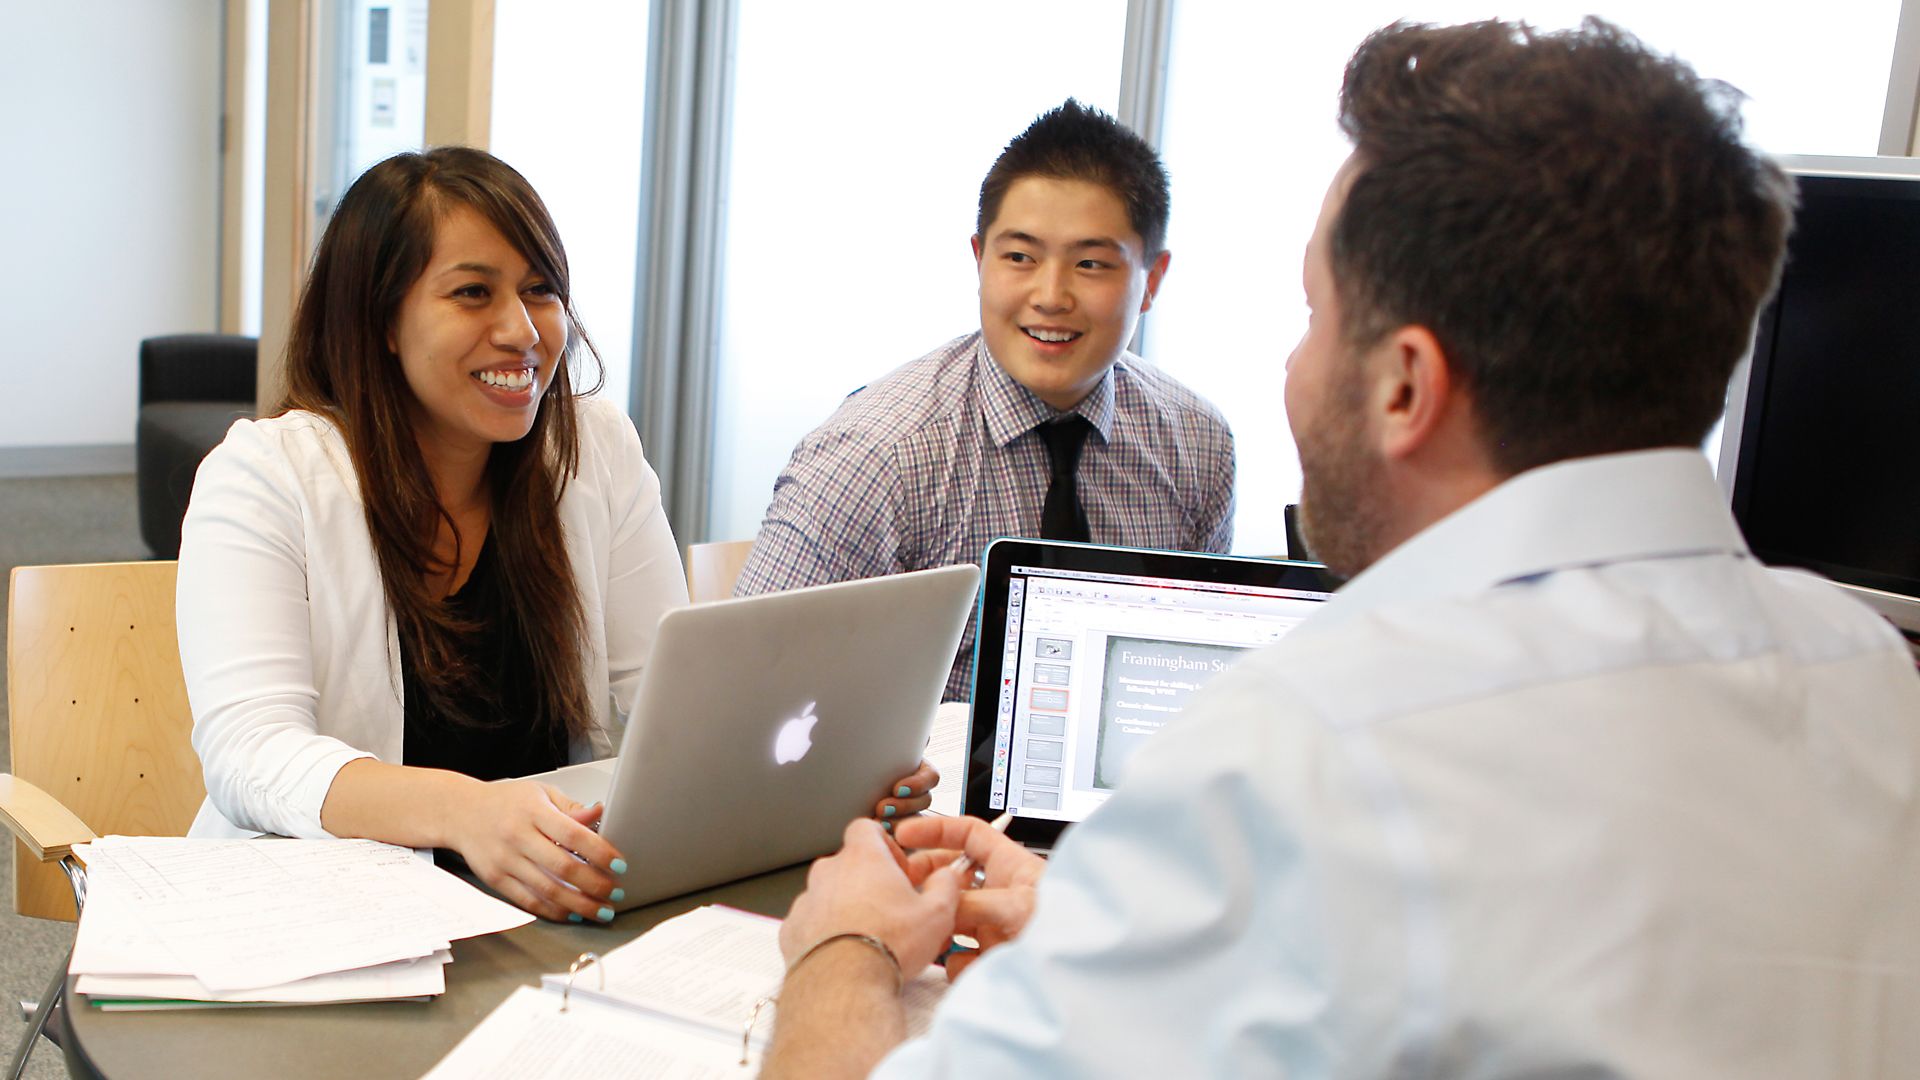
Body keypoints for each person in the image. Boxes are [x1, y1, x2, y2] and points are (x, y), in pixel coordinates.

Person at [759, 19, 1920, 1077]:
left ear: (1406, 383)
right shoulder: (1871, 687)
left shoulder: (1306, 752)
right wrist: (1123, 926)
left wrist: (845, 945)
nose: (1292, 371)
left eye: (1314, 316)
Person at [175, 148, 929, 925]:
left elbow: (664, 701)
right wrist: (464, 812)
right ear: (381, 322)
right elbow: (251, 754)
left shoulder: (592, 448)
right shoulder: (265, 478)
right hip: (319, 920)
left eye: (540, 291)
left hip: (540, 907)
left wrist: (834, 774)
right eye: (473, 293)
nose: (521, 330)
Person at [735, 100, 1236, 701]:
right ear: (979, 260)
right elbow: (748, 696)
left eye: (1091, 264)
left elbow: (1182, 680)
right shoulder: (877, 456)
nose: (1050, 296)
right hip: (913, 791)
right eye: (1020, 257)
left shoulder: (1197, 443)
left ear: (1151, 281)